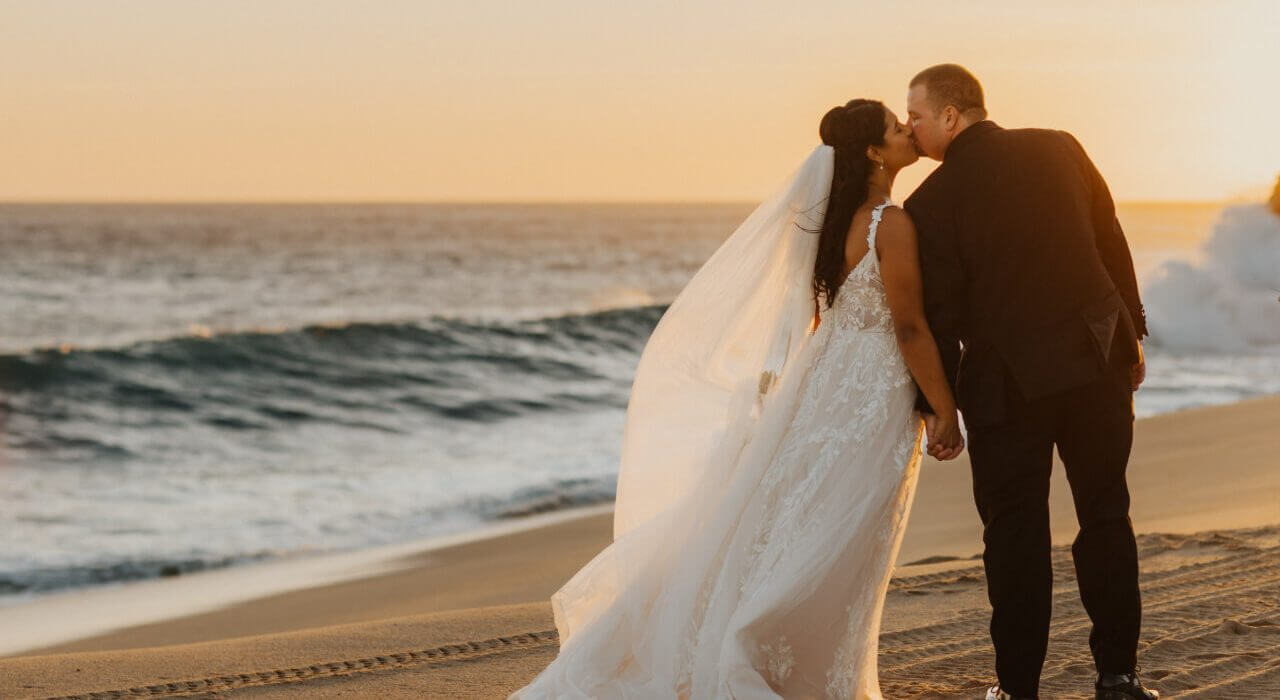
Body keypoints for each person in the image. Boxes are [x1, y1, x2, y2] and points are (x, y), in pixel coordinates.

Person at [508, 99, 961, 699]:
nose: (908, 131)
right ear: (876, 152)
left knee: (806, 525)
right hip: (867, 400)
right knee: (846, 534)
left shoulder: (831, 227)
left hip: (825, 389)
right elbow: (908, 328)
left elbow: (830, 322)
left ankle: (792, 657)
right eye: (896, 128)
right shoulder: (890, 224)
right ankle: (778, 660)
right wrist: (945, 408)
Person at [904, 63, 1157, 700]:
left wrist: (939, 407)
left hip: (1006, 390)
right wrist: (1132, 336)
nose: (911, 128)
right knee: (1106, 514)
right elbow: (1110, 238)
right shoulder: (1060, 146)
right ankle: (1118, 679)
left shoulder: (930, 202)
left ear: (952, 117)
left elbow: (940, 315)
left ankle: (1018, 691)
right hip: (1097, 363)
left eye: (917, 116)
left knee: (1015, 538)